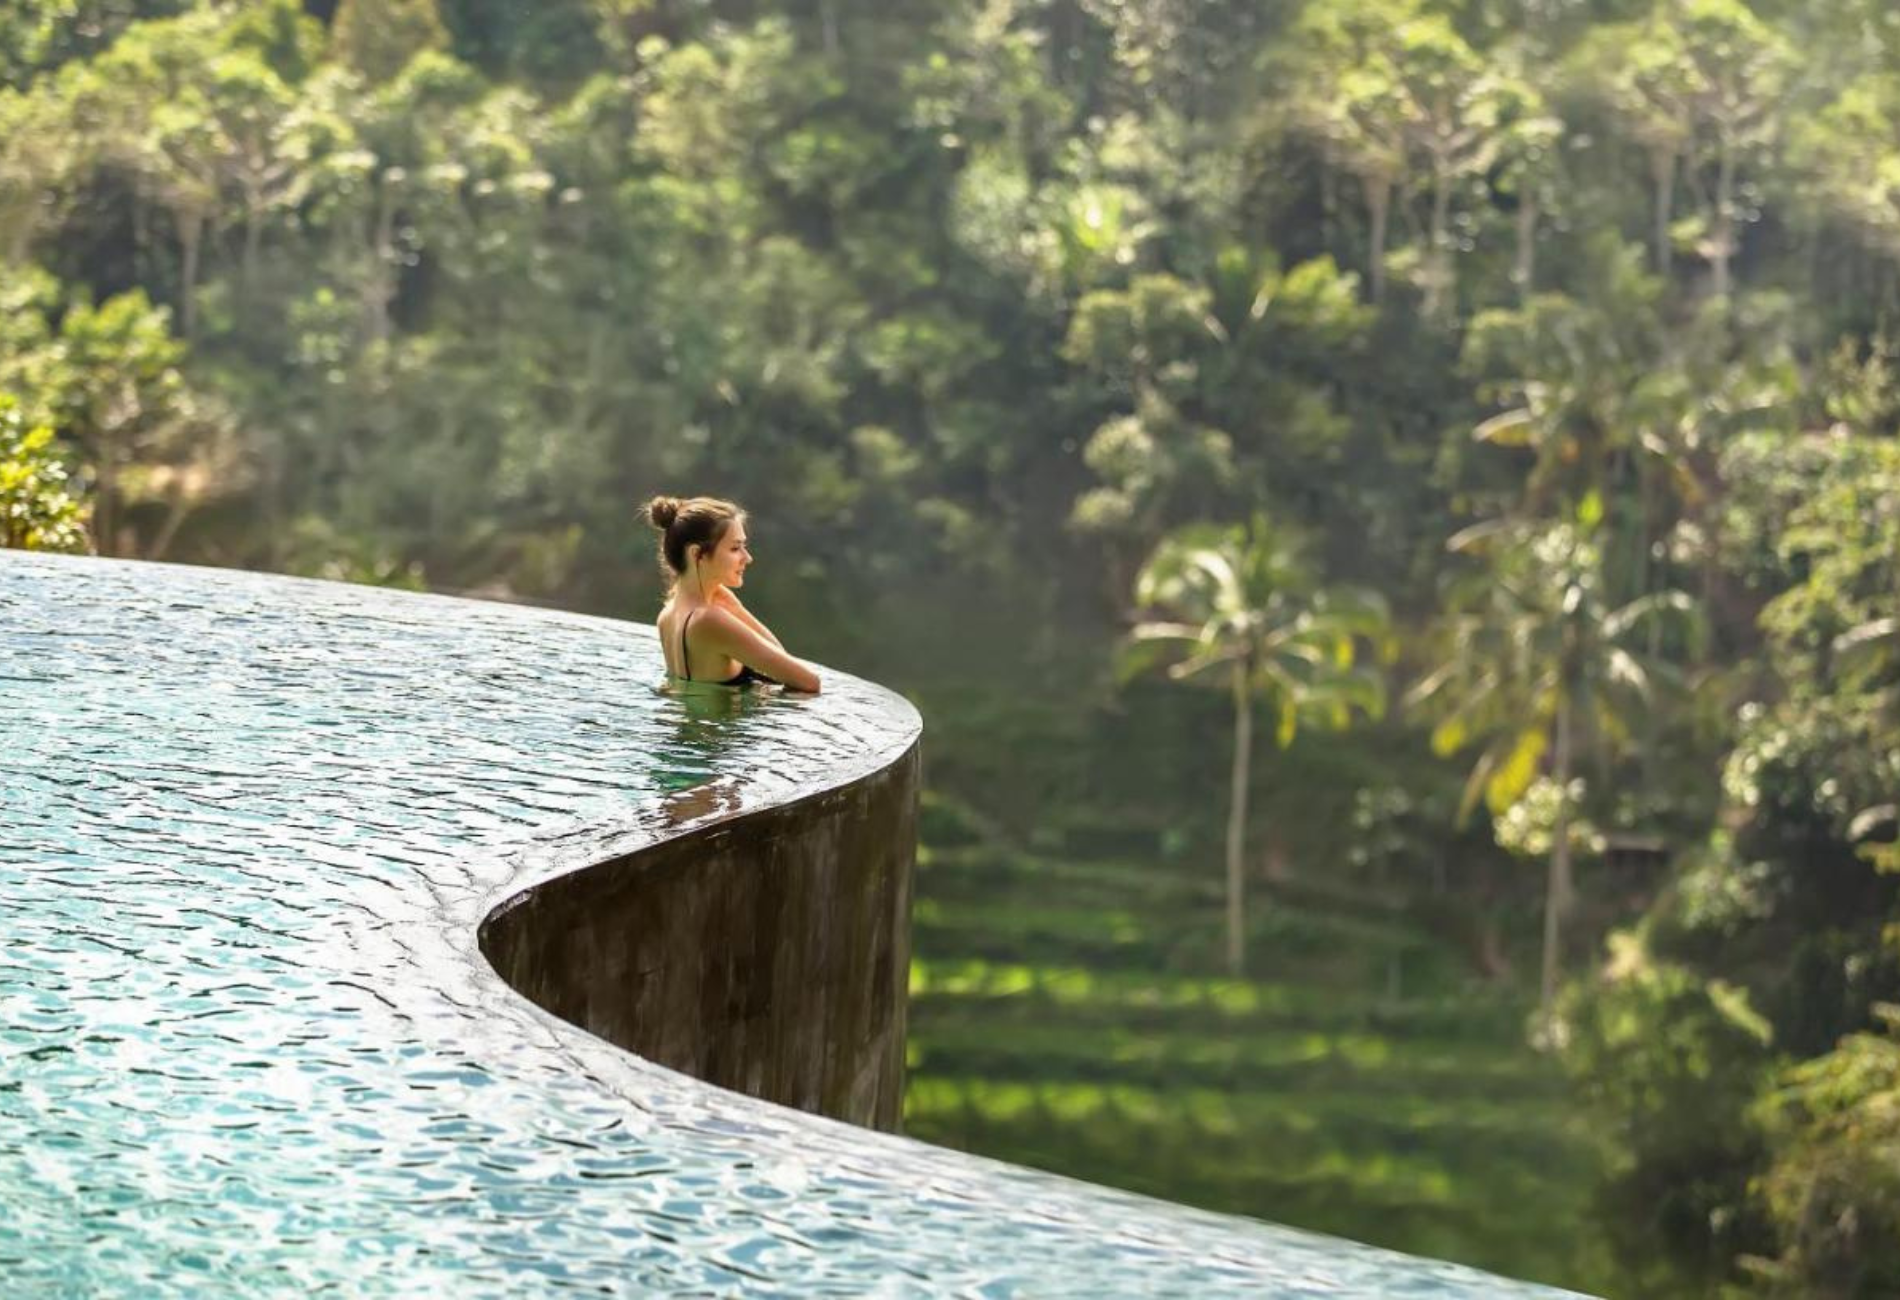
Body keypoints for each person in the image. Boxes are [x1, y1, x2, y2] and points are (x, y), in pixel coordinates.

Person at [646, 495, 821, 693]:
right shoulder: (709, 619)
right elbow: (808, 682)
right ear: (697, 554)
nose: (747, 558)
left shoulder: (668, 615)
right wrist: (736, 610)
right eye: (735, 548)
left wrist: (735, 608)